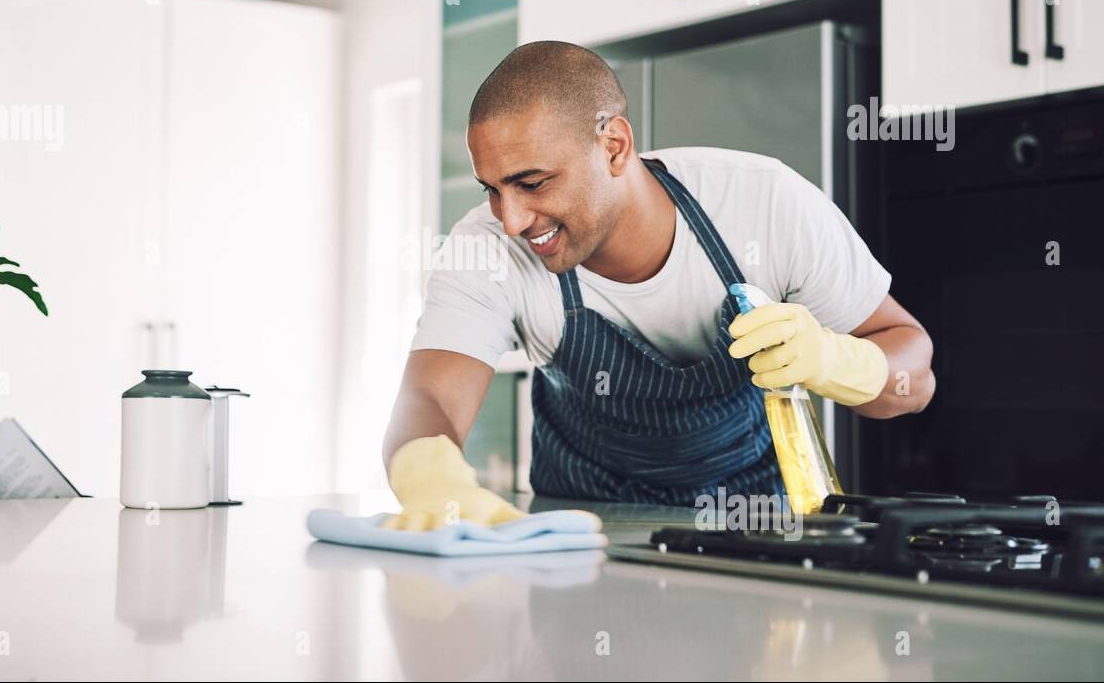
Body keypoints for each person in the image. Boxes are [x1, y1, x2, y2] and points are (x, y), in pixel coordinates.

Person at [382, 41, 934, 530]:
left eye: (532, 183)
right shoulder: (487, 247)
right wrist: (434, 482)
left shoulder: (765, 204)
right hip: (580, 544)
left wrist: (832, 359)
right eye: (493, 190)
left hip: (754, 538)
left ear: (614, 146)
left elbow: (917, 376)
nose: (512, 220)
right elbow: (428, 397)